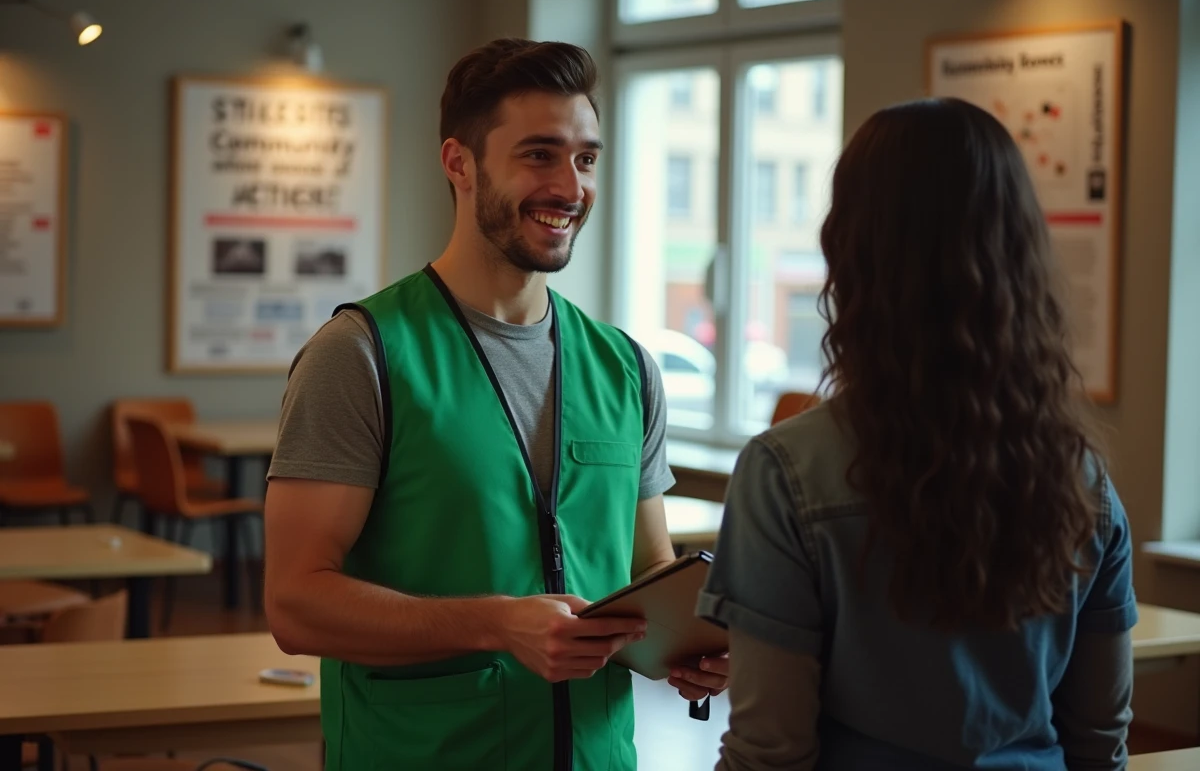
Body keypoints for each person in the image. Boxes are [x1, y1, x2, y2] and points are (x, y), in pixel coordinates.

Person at [263, 38, 729, 770]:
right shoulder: (362, 354)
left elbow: (649, 570)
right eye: (539, 154)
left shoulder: (627, 367)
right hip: (425, 753)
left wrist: (686, 645)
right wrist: (494, 625)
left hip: (597, 755)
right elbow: (294, 604)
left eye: (586, 158)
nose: (570, 186)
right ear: (460, 163)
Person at [697, 97, 1137, 770]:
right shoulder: (1084, 482)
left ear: (849, 248)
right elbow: (1101, 744)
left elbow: (770, 753)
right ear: (1019, 254)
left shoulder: (785, 473)